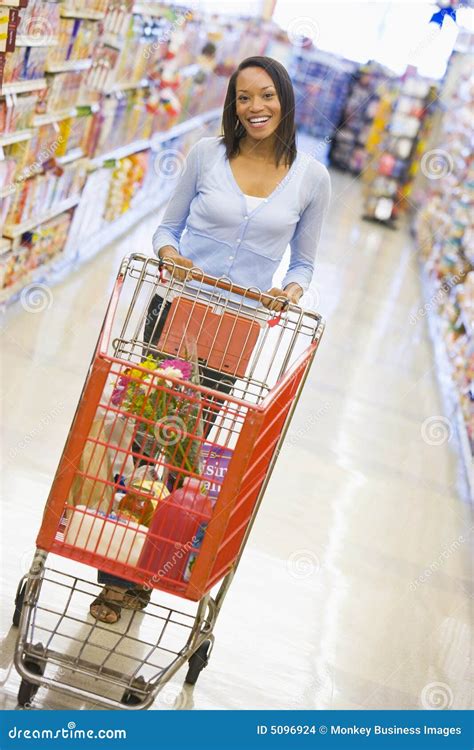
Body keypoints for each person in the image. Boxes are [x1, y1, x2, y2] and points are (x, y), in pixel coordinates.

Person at [90, 55, 331, 623]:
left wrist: (289, 294)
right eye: (245, 97)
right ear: (233, 103)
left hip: (235, 326)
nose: (256, 107)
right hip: (175, 311)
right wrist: (170, 256)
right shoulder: (206, 154)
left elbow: (304, 264)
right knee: (143, 436)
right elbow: (166, 227)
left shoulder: (311, 178)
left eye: (267, 95)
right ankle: (115, 576)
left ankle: (146, 571)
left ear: (285, 99)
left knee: (182, 451)